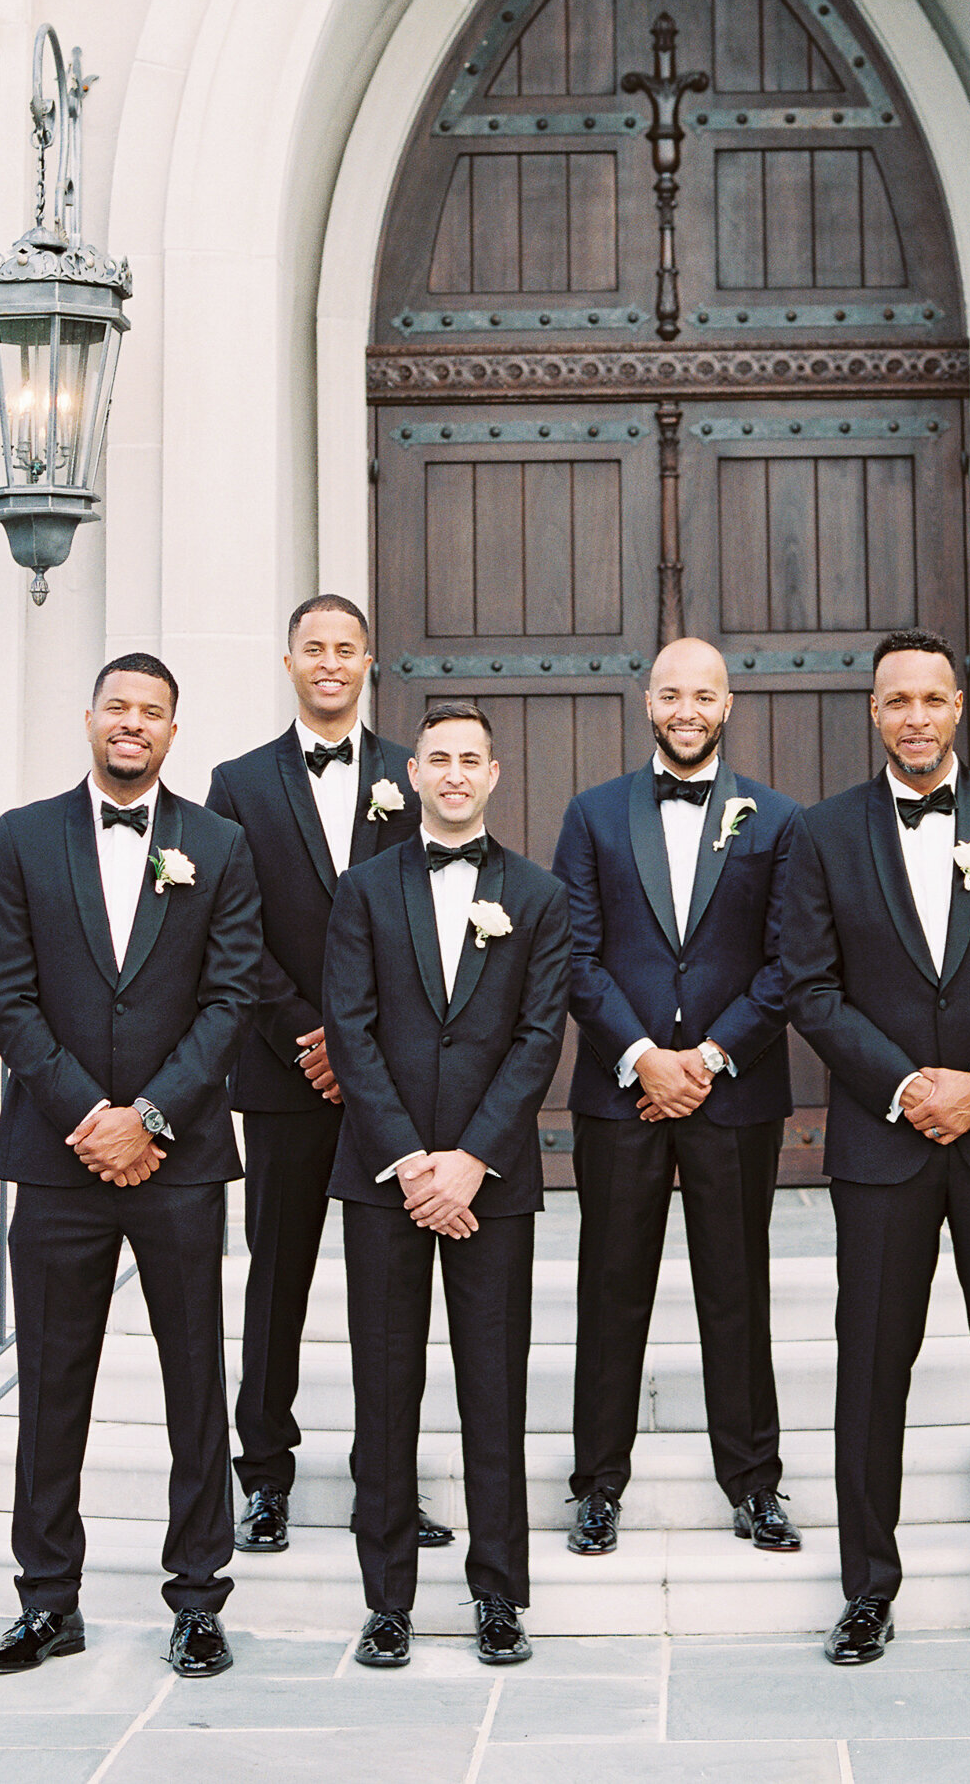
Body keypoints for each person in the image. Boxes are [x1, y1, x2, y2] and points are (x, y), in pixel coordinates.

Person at [783, 628, 970, 1665]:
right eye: (893, 701)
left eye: (930, 698)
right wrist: (907, 1085)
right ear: (872, 713)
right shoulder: (821, 834)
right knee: (871, 1367)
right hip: (882, 1143)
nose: (912, 716)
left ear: (960, 706)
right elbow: (809, 987)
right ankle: (866, 1588)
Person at [0, 655, 262, 1679]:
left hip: (177, 1161)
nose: (133, 725)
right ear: (88, 716)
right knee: (54, 1383)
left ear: (174, 731)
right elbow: (5, 995)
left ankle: (197, 1600)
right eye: (118, 708)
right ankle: (47, 1601)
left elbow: (231, 997)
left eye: (153, 713)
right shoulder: (22, 836)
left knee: (194, 1383)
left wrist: (152, 1117)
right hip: (56, 1158)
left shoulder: (218, 844)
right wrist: (91, 1115)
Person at [323, 701, 571, 1669]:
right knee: (384, 1392)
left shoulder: (540, 897)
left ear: (495, 774)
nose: (456, 773)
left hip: (492, 1182)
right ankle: (386, 1601)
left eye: (472, 758)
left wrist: (470, 1158)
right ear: (413, 772)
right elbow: (352, 1026)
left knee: (492, 1391)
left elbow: (537, 1035)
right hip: (385, 1178)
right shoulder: (363, 890)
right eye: (439, 758)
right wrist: (412, 1160)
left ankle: (498, 1595)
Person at [552, 637, 802, 1559]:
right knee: (611, 1290)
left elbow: (789, 962)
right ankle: (596, 1486)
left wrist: (708, 1055)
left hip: (733, 1095)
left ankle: (753, 1483)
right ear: (647, 702)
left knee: (736, 1291)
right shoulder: (591, 815)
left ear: (727, 704)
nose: (686, 709)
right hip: (621, 1094)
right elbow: (575, 955)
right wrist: (645, 1056)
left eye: (703, 694)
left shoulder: (776, 819)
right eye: (670, 694)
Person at [206, 594, 437, 1555]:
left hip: (392, 1077)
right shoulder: (238, 782)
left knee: (391, 1290)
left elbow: (430, 913)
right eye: (315, 648)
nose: (331, 663)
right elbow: (232, 927)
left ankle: (387, 1482)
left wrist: (363, 1046)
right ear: (289, 660)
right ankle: (263, 1475)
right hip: (283, 1070)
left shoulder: (410, 774)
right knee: (280, 1276)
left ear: (369, 661)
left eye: (347, 649)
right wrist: (313, 1033)